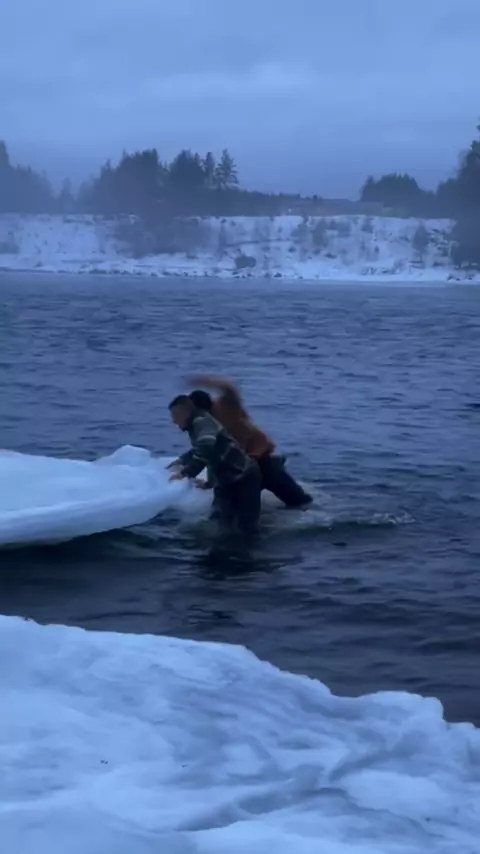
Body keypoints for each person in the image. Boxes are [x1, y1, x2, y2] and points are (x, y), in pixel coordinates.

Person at [187, 375, 313, 508]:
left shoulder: (226, 406)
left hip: (262, 461)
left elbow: (229, 388)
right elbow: (213, 455)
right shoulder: (205, 426)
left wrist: (205, 381)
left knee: (300, 501)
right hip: (243, 469)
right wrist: (210, 483)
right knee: (225, 509)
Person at [167, 394, 262, 541]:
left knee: (246, 527)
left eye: (175, 416)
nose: (173, 421)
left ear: (185, 414)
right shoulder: (197, 424)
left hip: (245, 477)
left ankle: (251, 551)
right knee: (219, 520)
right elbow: (210, 451)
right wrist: (183, 460)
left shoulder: (202, 422)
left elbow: (207, 447)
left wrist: (186, 473)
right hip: (226, 479)